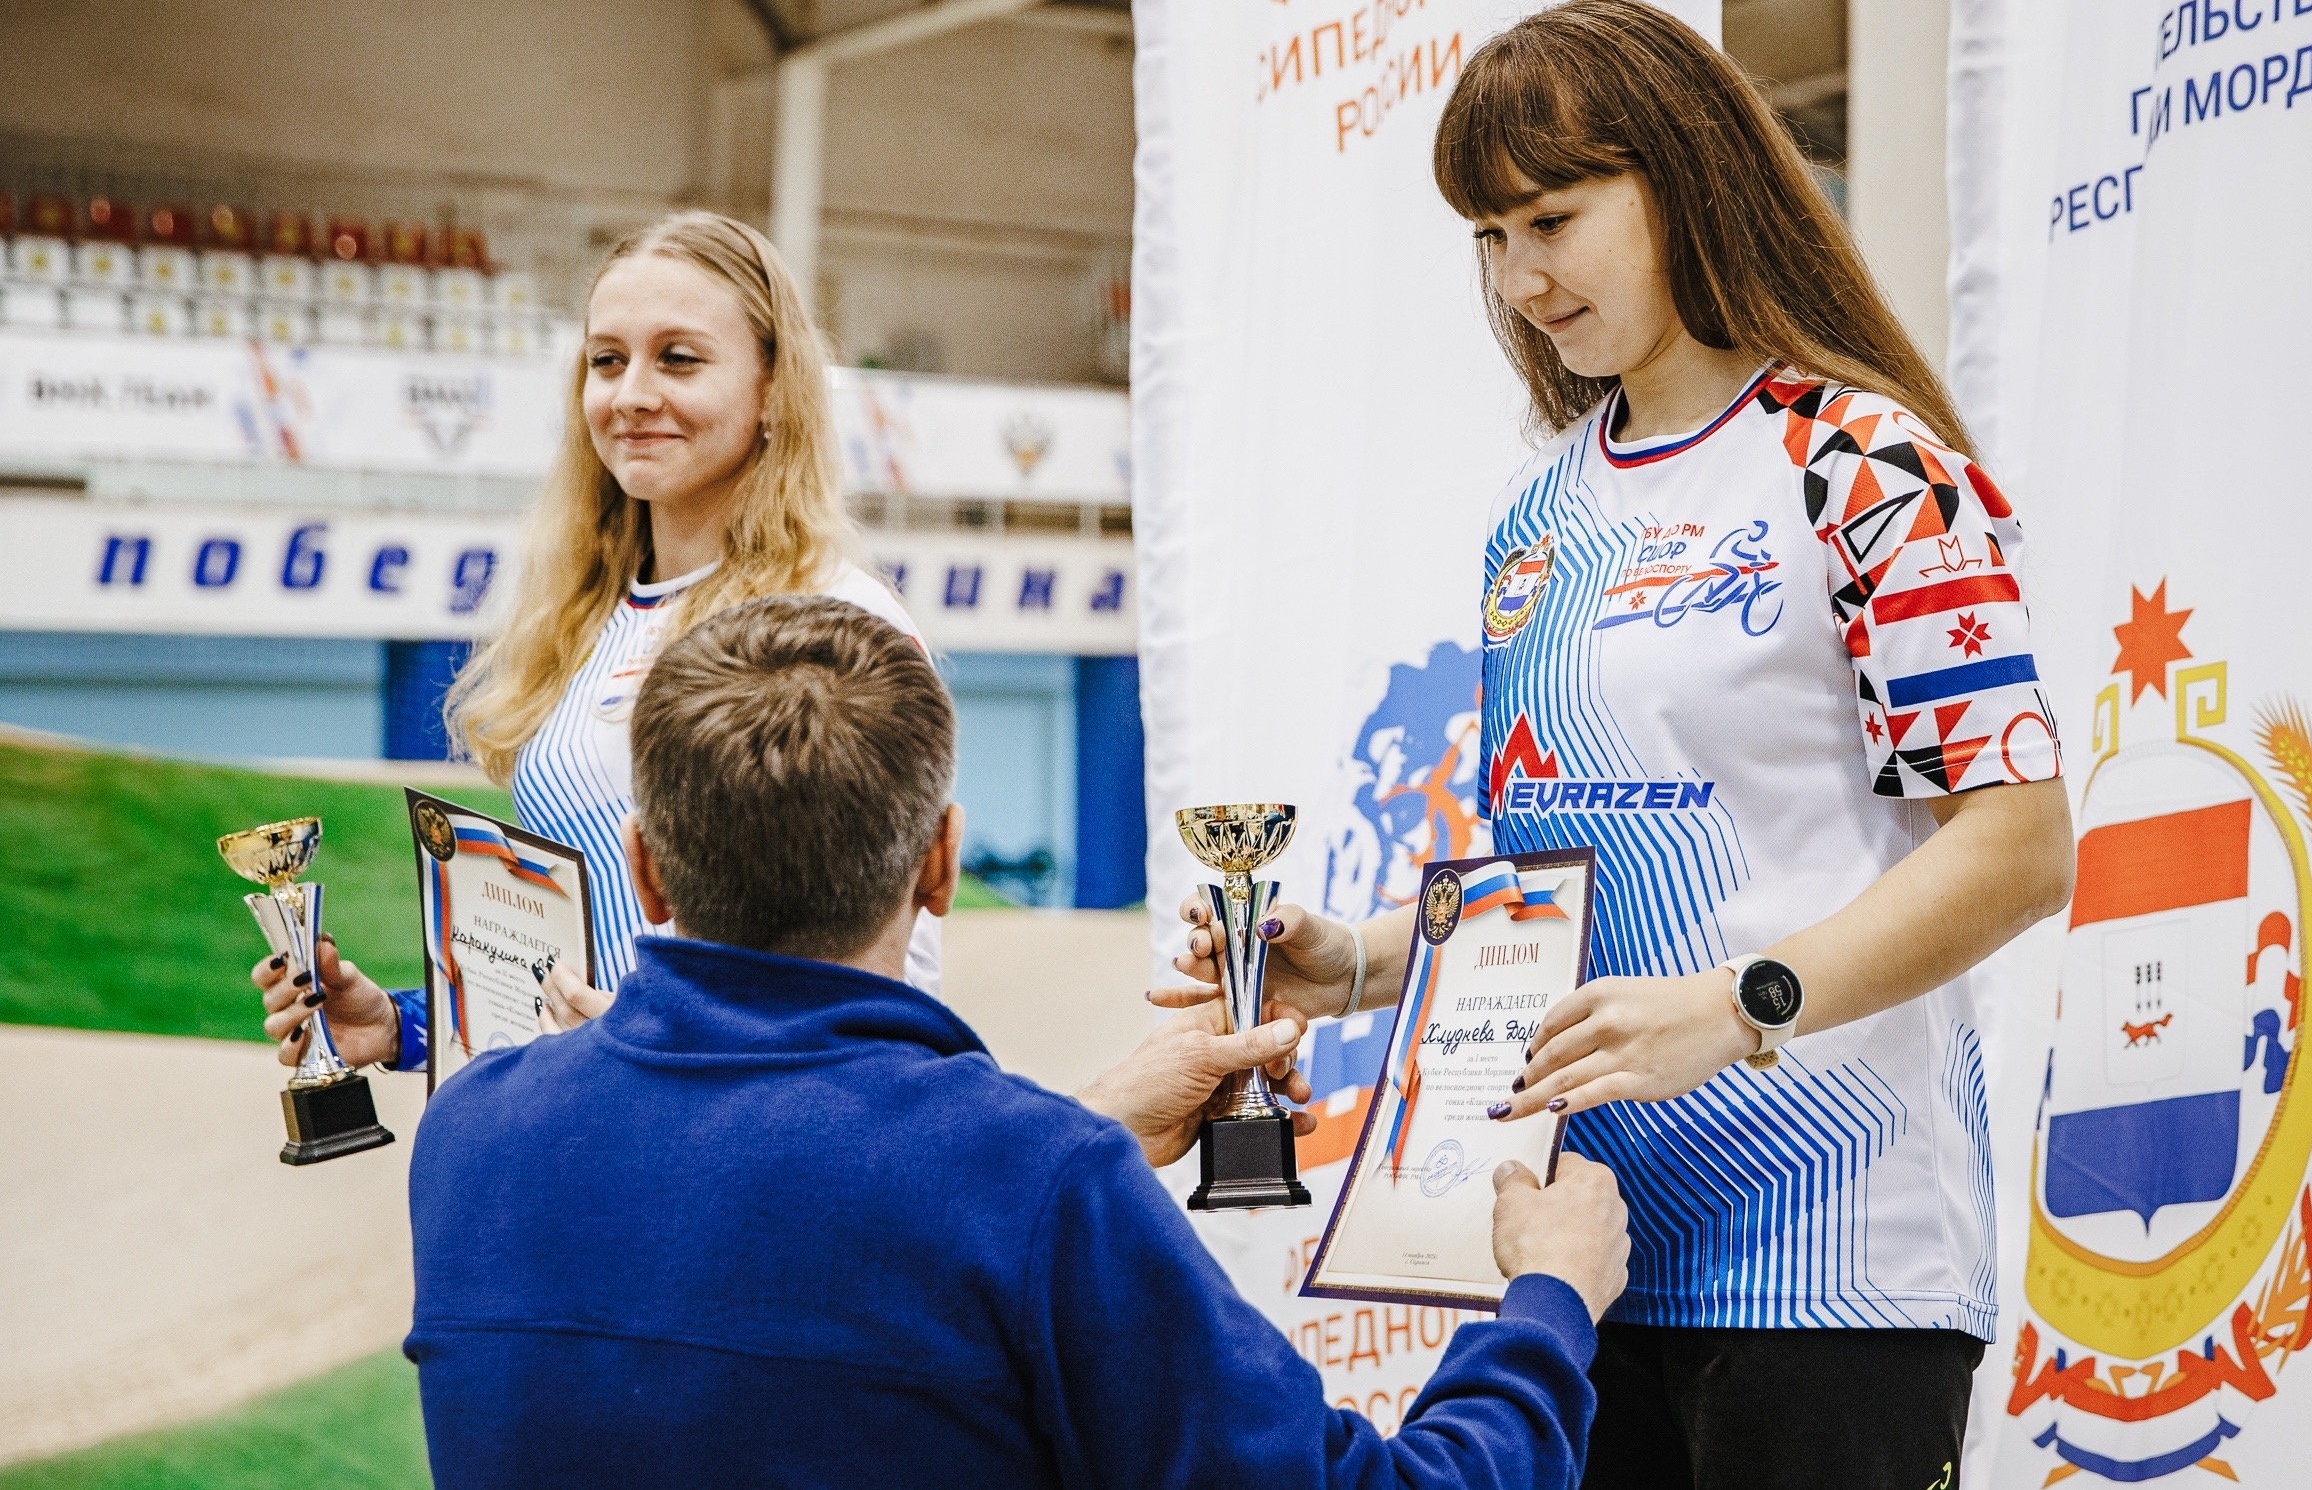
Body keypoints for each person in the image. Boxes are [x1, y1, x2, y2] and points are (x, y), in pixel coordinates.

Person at [1162, 0, 2077, 1489]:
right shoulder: (1541, 516)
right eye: (1489, 236)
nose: (1521, 278)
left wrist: (1744, 1005)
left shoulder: (1866, 464)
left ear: (1688, 177)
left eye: (1553, 218)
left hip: (1837, 1257)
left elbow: (2021, 845)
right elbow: (1561, 881)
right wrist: (1359, 964)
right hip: (1585, 1254)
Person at [407, 594, 1634, 1490]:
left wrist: (1073, 1141)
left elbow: (772, 1231)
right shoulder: (1026, 1182)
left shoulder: (470, 1128)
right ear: (942, 862)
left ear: (645, 868)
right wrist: (1547, 1305)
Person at [247, 211, 938, 1074]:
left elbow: (900, 974)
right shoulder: (574, 614)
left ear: (773, 386)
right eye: (607, 360)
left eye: (678, 358)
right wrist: (405, 1025)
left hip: (735, 1117)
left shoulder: (838, 620)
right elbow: (565, 958)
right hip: (590, 1105)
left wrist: (671, 1040)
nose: (632, 393)